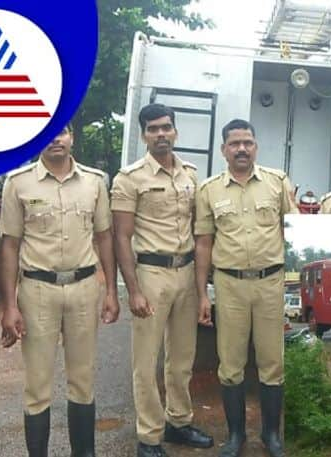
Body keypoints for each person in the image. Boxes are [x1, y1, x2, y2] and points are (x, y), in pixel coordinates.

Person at [0, 125, 120, 457]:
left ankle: (84, 453)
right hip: (37, 291)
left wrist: (111, 290)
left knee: (83, 380)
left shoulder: (94, 182)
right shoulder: (18, 183)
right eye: (47, 132)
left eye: (62, 131)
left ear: (72, 137)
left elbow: (105, 237)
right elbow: (9, 245)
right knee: (37, 385)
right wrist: (9, 305)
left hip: (83, 288)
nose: (55, 138)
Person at [110, 104, 213, 457]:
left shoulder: (190, 174)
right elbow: (121, 237)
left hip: (185, 272)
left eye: (166, 128)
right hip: (151, 274)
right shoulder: (130, 178)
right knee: (146, 361)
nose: (161, 134)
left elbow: (201, 232)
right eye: (153, 129)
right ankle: (149, 437)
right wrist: (133, 290)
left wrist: (202, 291)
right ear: (143, 135)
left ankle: (179, 422)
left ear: (176, 131)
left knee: (182, 357)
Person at [194, 118, 298, 457]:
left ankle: (271, 435)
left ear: (255, 146)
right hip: (230, 285)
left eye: (247, 142)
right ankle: (236, 436)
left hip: (270, 282)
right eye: (235, 143)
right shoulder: (209, 190)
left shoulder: (277, 182)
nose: (242, 148)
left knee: (273, 362)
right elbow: (204, 244)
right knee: (231, 363)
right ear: (224, 149)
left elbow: (291, 231)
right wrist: (201, 296)